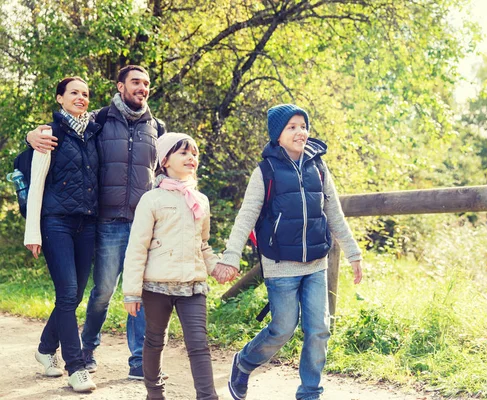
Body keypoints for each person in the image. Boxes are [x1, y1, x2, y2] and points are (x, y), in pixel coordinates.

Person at [213, 104, 363, 400]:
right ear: (277, 136)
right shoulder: (266, 170)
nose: (300, 132)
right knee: (283, 328)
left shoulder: (318, 166)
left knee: (319, 329)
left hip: (316, 262)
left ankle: (310, 392)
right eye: (291, 127)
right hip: (280, 263)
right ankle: (244, 363)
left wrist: (353, 252)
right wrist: (230, 256)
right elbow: (246, 216)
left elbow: (334, 212)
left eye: (303, 125)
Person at [26, 65, 165, 379]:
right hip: (103, 222)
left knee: (136, 292)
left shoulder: (157, 127)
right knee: (99, 292)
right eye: (135, 82)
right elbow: (46, 154)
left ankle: (138, 363)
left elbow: (167, 170)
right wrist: (32, 134)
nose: (142, 88)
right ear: (120, 86)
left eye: (146, 83)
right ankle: (84, 351)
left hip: (139, 224)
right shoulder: (99, 121)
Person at [122, 132, 237, 400]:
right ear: (165, 160)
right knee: (154, 340)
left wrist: (217, 267)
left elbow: (203, 244)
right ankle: (154, 394)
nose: (191, 158)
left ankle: (207, 396)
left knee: (198, 344)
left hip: (193, 285)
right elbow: (137, 248)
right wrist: (131, 292)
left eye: (194, 153)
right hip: (156, 286)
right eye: (183, 153)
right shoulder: (151, 200)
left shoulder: (200, 200)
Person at [24, 76, 101, 392]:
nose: (80, 97)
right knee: (68, 292)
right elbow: (37, 183)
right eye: (74, 93)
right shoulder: (48, 134)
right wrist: (33, 231)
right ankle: (75, 367)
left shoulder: (95, 132)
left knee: (77, 293)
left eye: (85, 94)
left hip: (88, 224)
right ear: (60, 98)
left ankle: (45, 349)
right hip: (56, 223)